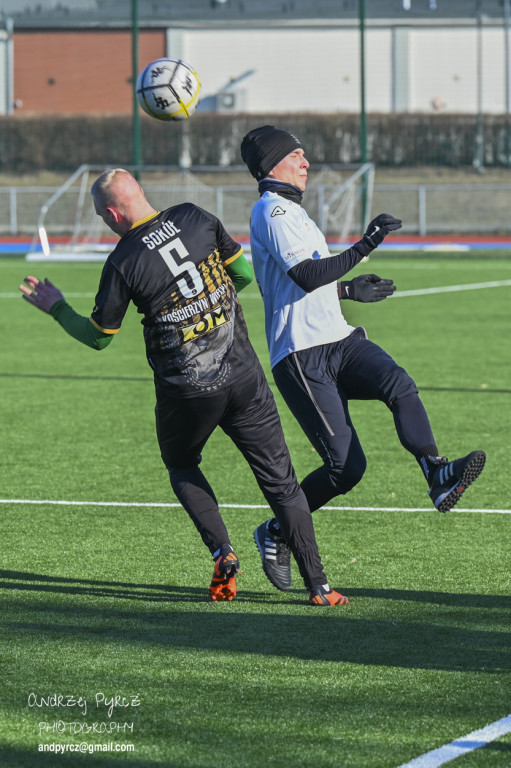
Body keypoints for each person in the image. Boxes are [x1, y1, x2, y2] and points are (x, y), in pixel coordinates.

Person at [19, 168, 348, 606]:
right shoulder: (196, 216)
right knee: (282, 484)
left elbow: (100, 336)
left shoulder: (123, 261)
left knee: (182, 464)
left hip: (187, 391)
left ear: (114, 213)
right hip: (244, 376)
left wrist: (56, 307)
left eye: (102, 216)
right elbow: (245, 276)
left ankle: (223, 551)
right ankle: (320, 588)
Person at [240, 125, 486, 588]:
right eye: (297, 155)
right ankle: (276, 530)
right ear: (272, 164)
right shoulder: (270, 210)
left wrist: (351, 289)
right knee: (347, 468)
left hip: (339, 338)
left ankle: (437, 473)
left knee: (399, 384)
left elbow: (309, 283)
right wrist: (367, 242)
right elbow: (309, 275)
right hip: (301, 355)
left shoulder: (292, 211)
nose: (306, 162)